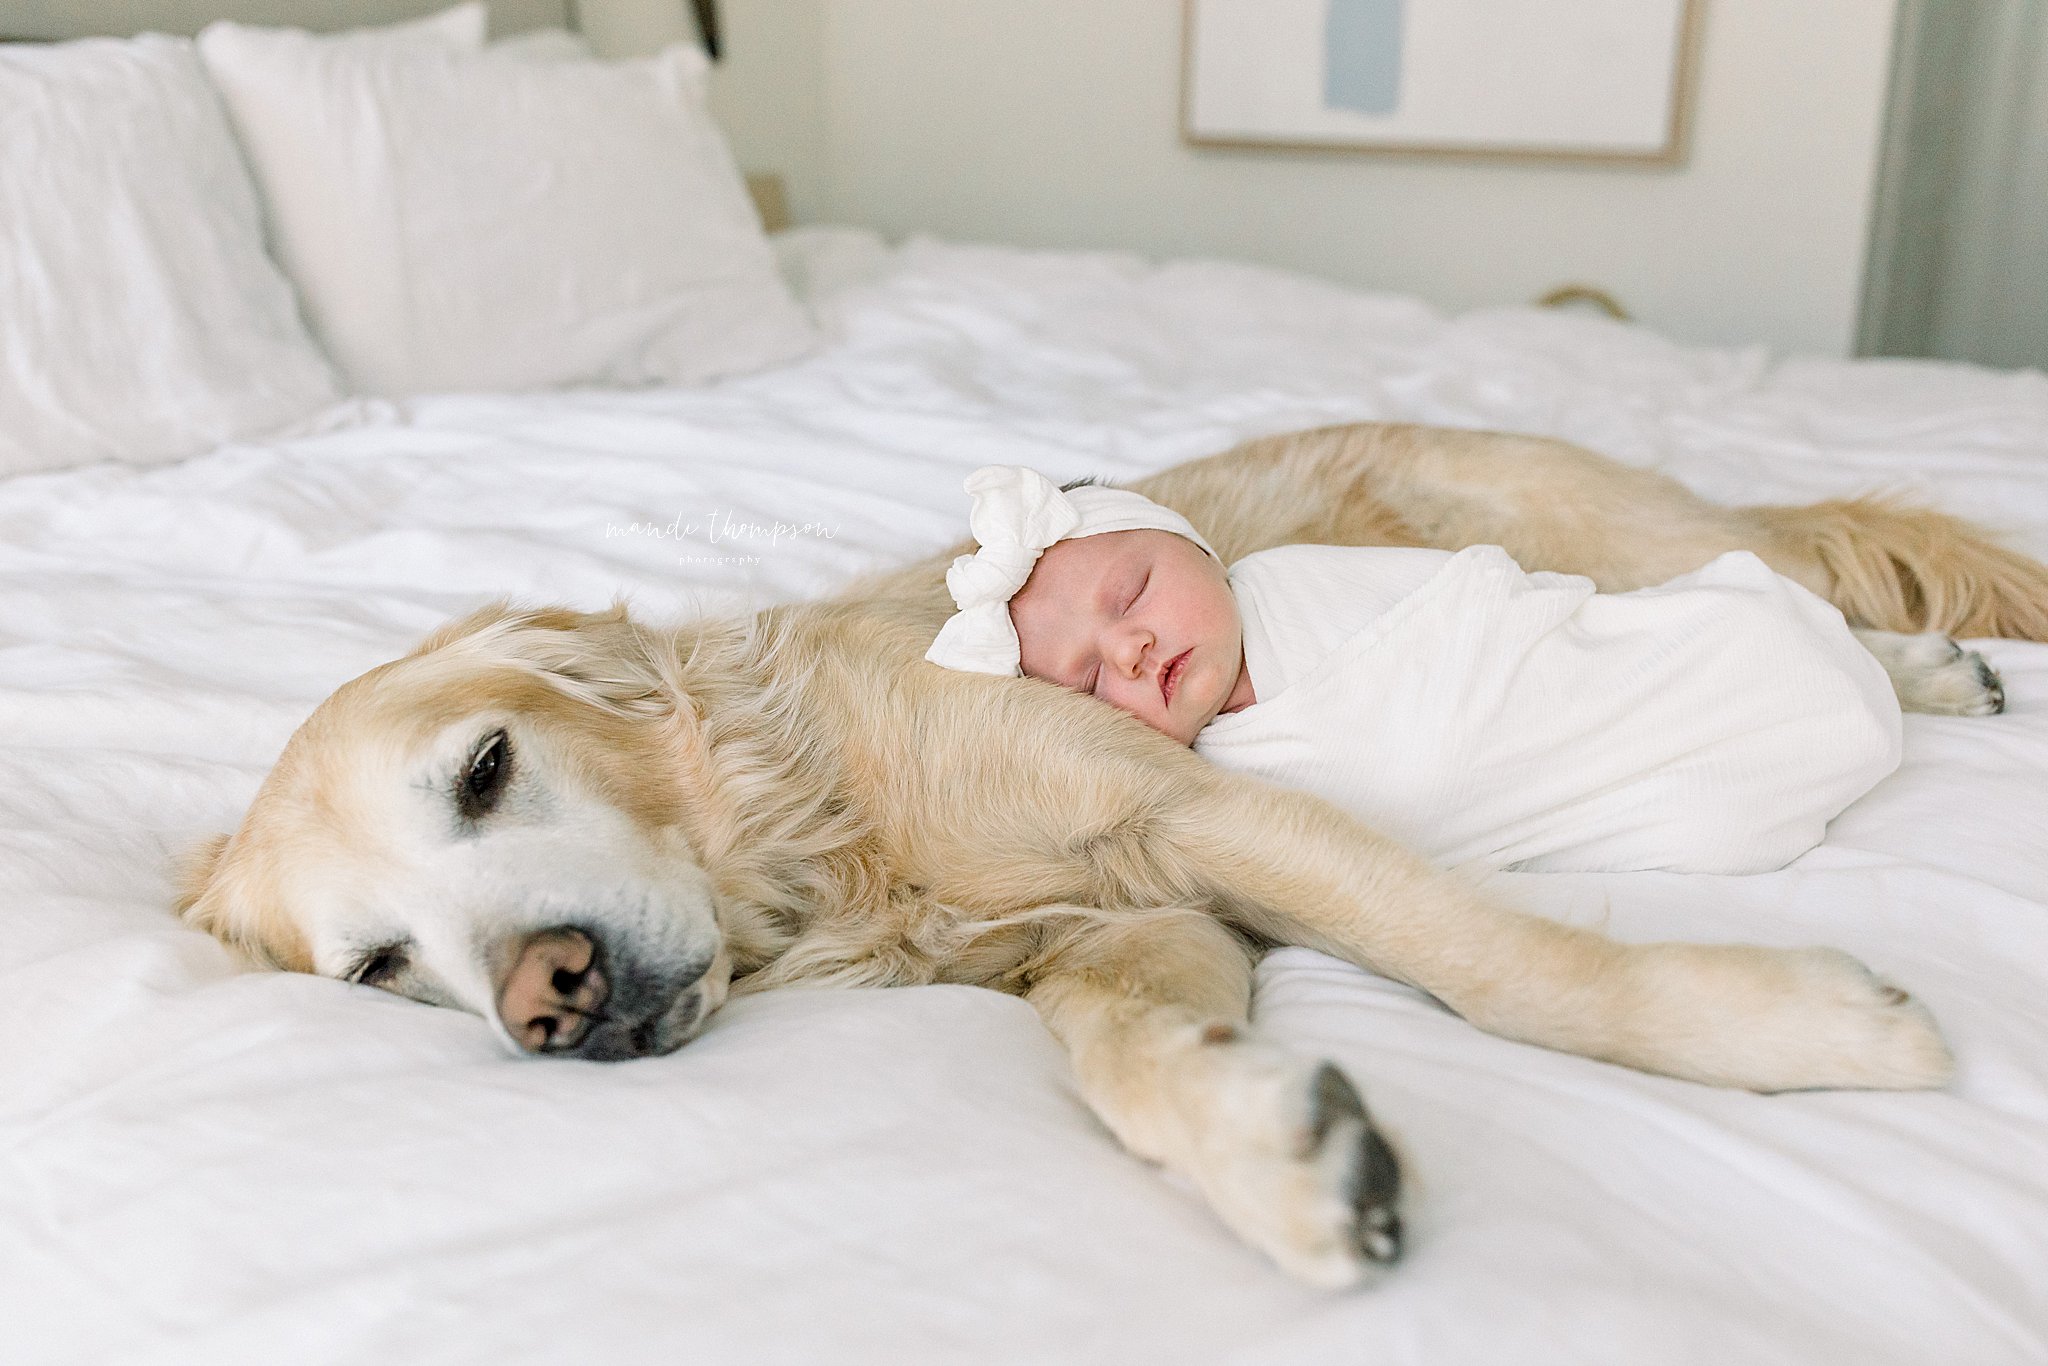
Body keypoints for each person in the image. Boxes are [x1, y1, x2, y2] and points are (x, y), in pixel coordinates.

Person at [924, 464, 1903, 874]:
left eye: (1131, 591)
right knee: (1710, 817)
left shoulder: (1289, 578)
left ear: (1198, 549)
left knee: (1713, 662)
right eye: (1092, 682)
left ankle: (1772, 667)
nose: (1129, 649)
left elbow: (1482, 604)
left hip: (1549, 675)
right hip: (1563, 794)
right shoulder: (1188, 780)